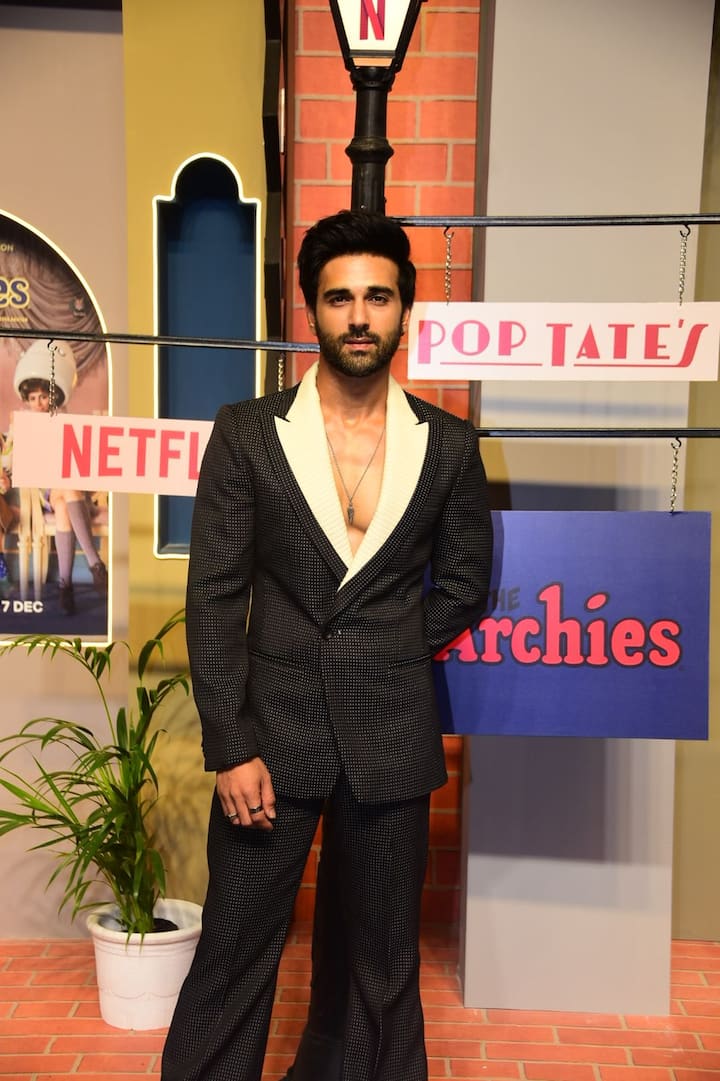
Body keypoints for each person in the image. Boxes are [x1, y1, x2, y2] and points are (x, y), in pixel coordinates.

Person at [161, 209, 493, 1081]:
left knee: (381, 972)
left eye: (376, 297)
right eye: (339, 297)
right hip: (271, 742)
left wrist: (376, 648)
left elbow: (465, 583)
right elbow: (214, 597)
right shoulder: (247, 431)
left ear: (404, 311)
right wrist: (232, 746)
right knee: (234, 959)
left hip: (390, 739)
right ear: (311, 310)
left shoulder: (450, 447)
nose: (358, 315)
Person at [8, 340, 108, 614]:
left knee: (66, 500)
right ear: (27, 400)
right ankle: (95, 563)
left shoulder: (64, 419)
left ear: (51, 397)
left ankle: (66, 587)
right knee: (64, 493)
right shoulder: (21, 424)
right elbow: (7, 462)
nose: (39, 403)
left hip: (69, 489)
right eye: (33, 398)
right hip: (41, 493)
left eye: (43, 396)